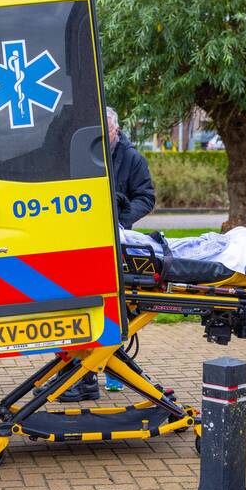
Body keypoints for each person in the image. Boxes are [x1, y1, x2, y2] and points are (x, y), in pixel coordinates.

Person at [60, 107, 156, 401]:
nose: (102, 136)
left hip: (114, 242)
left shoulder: (131, 159)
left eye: (107, 130)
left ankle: (100, 372)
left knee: (108, 310)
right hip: (81, 240)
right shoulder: (80, 154)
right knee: (78, 309)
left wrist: (122, 219)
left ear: (116, 130)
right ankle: (81, 374)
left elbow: (146, 197)